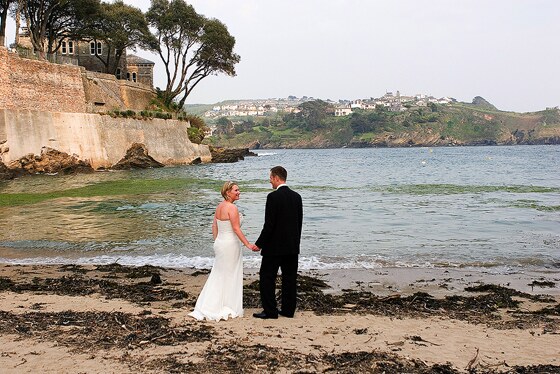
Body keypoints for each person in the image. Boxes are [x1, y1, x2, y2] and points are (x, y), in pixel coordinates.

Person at [189, 181, 257, 321]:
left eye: (239, 190)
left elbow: (214, 225)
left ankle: (211, 304)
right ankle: (227, 305)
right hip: (230, 245)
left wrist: (217, 241)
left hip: (220, 243)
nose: (239, 192)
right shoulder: (232, 208)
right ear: (228, 192)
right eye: (236, 190)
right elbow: (236, 229)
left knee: (219, 273)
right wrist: (248, 244)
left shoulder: (219, 206)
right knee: (230, 274)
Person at [253, 166, 303, 319]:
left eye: (270, 178)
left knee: (267, 278)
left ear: (276, 177)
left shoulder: (272, 197)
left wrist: (259, 243)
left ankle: (271, 311)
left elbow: (269, 225)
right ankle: (288, 310)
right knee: (290, 279)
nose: (270, 181)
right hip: (292, 247)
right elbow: (298, 223)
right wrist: (296, 243)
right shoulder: (297, 197)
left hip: (274, 248)